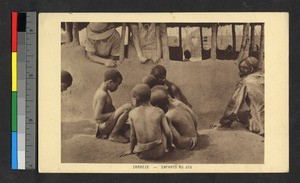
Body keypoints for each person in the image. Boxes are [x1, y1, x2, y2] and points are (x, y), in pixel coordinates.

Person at [211, 57, 264, 136]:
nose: (240, 71)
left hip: (260, 125)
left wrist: (223, 123)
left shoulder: (245, 82)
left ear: (251, 69)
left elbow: (234, 104)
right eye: (240, 68)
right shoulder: (264, 77)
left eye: (244, 68)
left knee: (239, 114)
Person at [120, 84, 173, 160]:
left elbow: (133, 136)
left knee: (130, 132)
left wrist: (131, 150)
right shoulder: (159, 111)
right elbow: (168, 132)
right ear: (150, 97)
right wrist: (170, 145)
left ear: (135, 99)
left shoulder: (132, 113)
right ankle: (169, 147)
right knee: (164, 124)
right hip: (158, 152)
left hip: (141, 153)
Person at [93, 69, 132, 143]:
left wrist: (118, 114)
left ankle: (116, 133)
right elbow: (97, 117)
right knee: (127, 107)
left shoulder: (104, 92)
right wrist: (117, 112)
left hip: (108, 124)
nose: (116, 88)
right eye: (116, 85)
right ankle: (113, 135)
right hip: (103, 127)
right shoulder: (102, 94)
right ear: (110, 82)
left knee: (132, 132)